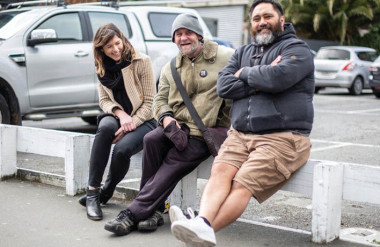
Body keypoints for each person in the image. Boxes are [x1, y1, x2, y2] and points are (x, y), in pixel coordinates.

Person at [170, 0, 315, 246]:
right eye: (256, 18)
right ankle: (201, 223)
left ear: (281, 20)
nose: (261, 23)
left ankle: (204, 228)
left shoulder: (297, 50)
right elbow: (224, 86)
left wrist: (245, 73)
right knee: (220, 173)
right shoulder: (242, 52)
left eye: (267, 16)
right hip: (240, 135)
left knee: (241, 183)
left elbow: (278, 79)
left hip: (283, 137)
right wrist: (263, 74)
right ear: (251, 24)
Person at [103, 14, 234, 236]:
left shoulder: (225, 56)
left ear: (199, 35)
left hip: (204, 132)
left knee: (173, 161)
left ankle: (133, 213)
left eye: (188, 33)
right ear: (174, 40)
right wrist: (165, 118)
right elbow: (159, 100)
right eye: (178, 35)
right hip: (176, 129)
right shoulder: (171, 67)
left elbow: (250, 71)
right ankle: (152, 211)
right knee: (151, 139)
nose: (183, 38)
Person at [78, 23, 156, 221]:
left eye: (117, 43)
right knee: (104, 129)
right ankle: (93, 193)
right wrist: (120, 114)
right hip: (118, 115)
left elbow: (150, 103)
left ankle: (107, 190)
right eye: (108, 46)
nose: (115, 49)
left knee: (122, 149)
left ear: (123, 40)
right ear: (101, 49)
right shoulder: (101, 65)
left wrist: (131, 123)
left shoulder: (141, 61)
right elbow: (103, 100)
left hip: (144, 119)